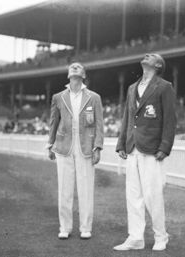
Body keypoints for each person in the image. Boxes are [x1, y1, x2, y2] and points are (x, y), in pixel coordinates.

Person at [114, 53, 176, 251]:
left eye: (152, 56)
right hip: (133, 147)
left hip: (152, 148)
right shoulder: (132, 87)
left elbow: (170, 120)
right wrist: (121, 143)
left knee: (153, 195)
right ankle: (136, 237)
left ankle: (161, 236)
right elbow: (127, 117)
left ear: (158, 65)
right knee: (133, 196)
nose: (146, 55)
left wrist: (164, 147)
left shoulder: (165, 87)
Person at [46, 62, 104, 240]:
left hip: (86, 147)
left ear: (84, 75)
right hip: (64, 147)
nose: (75, 67)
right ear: (68, 75)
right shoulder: (59, 97)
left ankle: (85, 228)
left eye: (79, 67)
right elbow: (53, 122)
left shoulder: (94, 97)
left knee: (86, 189)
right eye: (72, 67)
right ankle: (65, 227)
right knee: (64, 189)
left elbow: (99, 124)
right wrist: (50, 144)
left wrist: (98, 147)